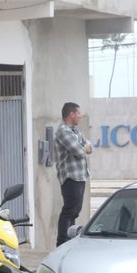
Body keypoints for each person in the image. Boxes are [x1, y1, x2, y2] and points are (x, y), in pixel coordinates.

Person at [54, 101, 92, 246]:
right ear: (71, 114)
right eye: (78, 114)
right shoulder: (63, 131)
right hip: (70, 176)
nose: (80, 117)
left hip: (80, 176)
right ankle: (62, 242)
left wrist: (85, 147)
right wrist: (84, 147)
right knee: (69, 210)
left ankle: (69, 240)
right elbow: (79, 150)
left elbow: (89, 145)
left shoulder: (76, 131)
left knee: (75, 210)